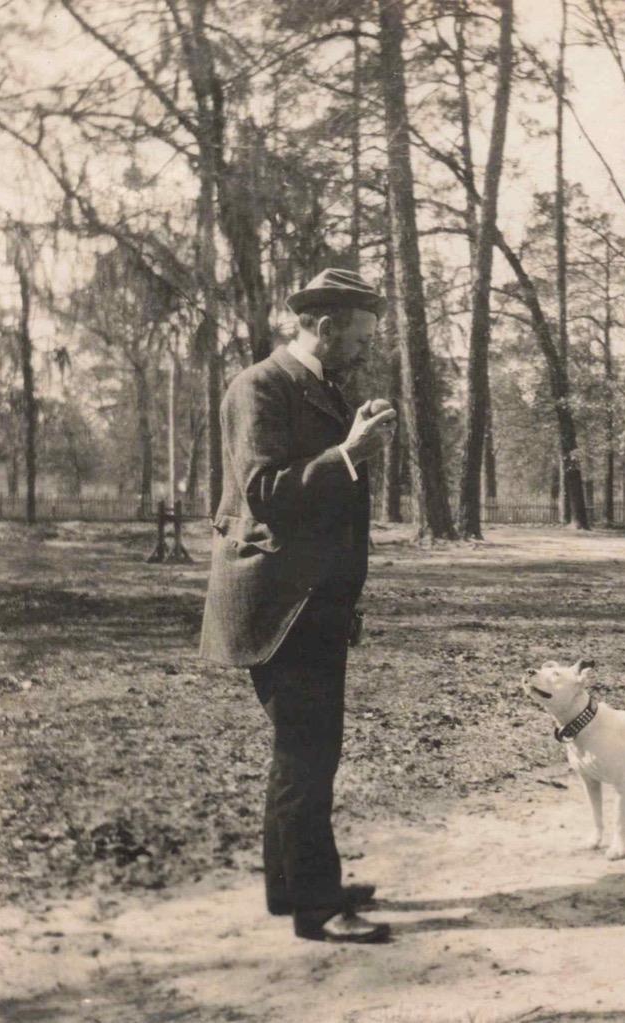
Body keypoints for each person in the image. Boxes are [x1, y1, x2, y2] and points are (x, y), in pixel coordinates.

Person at [199, 268, 397, 943]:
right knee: (307, 753)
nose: (366, 351)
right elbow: (265, 492)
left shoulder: (320, 388)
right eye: (361, 338)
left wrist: (350, 446)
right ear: (326, 327)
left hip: (313, 601)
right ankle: (317, 908)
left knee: (303, 750)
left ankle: (291, 889)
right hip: (278, 603)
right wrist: (349, 453)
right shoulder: (259, 386)